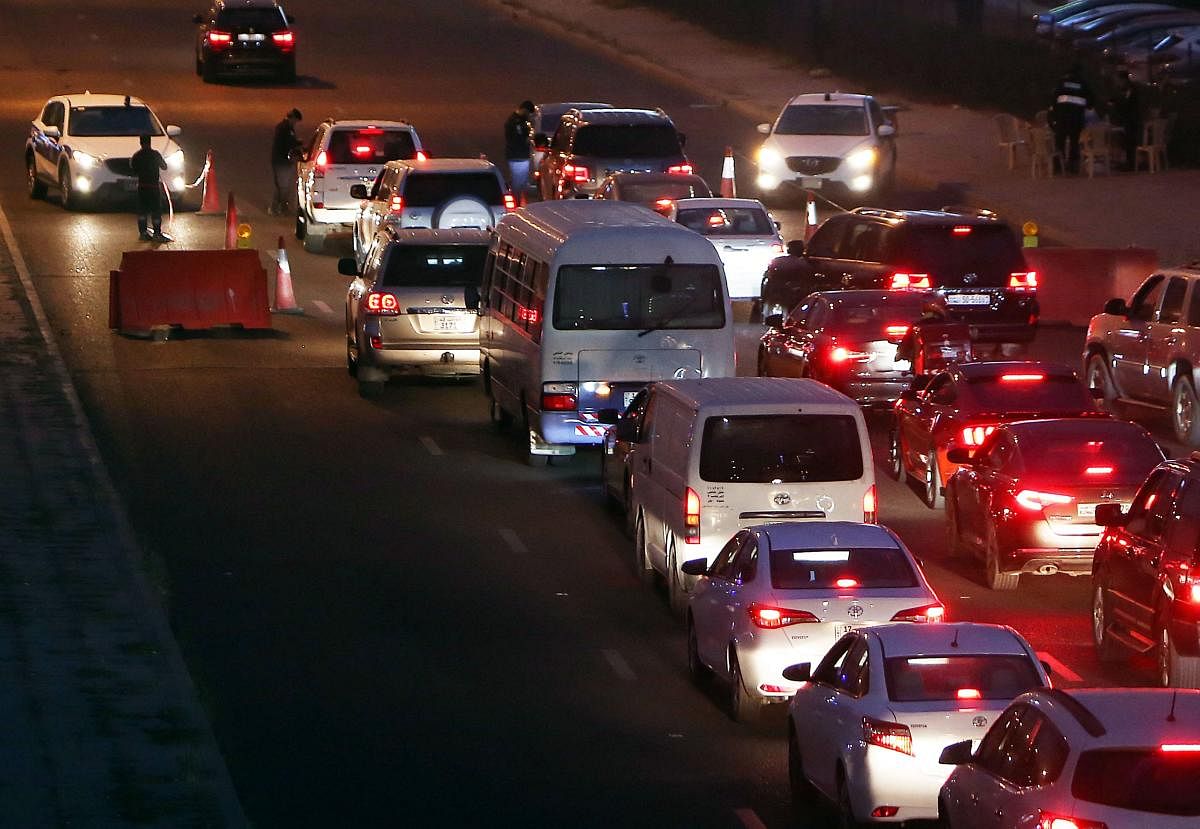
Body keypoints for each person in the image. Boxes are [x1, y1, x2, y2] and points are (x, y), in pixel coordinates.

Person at [1050, 64, 1092, 175]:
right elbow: (1090, 100)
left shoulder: (1061, 82)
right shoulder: (1082, 83)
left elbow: (1054, 99)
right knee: (1074, 142)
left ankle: (1059, 166)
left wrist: (1054, 115)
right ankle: (1073, 166)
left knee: (1060, 142)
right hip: (1076, 118)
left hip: (1062, 117)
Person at [129, 135, 168, 242]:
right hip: (154, 187)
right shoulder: (155, 154)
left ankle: (143, 233)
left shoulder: (137, 156)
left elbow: (133, 170)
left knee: (142, 211)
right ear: (150, 142)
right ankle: (157, 233)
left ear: (140, 143)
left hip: (142, 187)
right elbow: (164, 166)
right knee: (156, 210)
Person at [270, 108, 303, 215]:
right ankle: (279, 208)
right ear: (292, 118)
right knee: (283, 186)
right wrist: (297, 144)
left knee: (281, 185)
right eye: (296, 120)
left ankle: (278, 208)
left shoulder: (285, 127)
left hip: (280, 160)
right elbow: (287, 144)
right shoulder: (285, 128)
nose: (296, 123)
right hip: (282, 161)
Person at [1109, 71, 1141, 172]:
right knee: (1127, 142)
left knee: (1130, 142)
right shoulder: (1126, 89)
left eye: (1119, 80)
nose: (1118, 82)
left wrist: (1116, 104)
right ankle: (1129, 163)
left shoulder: (1130, 89)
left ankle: (1131, 164)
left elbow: (1126, 104)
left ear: (1123, 80)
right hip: (1129, 119)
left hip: (1131, 120)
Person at [503, 100, 535, 200]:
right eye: (528, 113)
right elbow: (519, 139)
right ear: (524, 110)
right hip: (517, 156)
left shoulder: (518, 121)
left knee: (522, 182)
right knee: (518, 183)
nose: (529, 116)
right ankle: (516, 203)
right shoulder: (515, 122)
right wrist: (528, 138)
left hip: (519, 155)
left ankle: (518, 202)